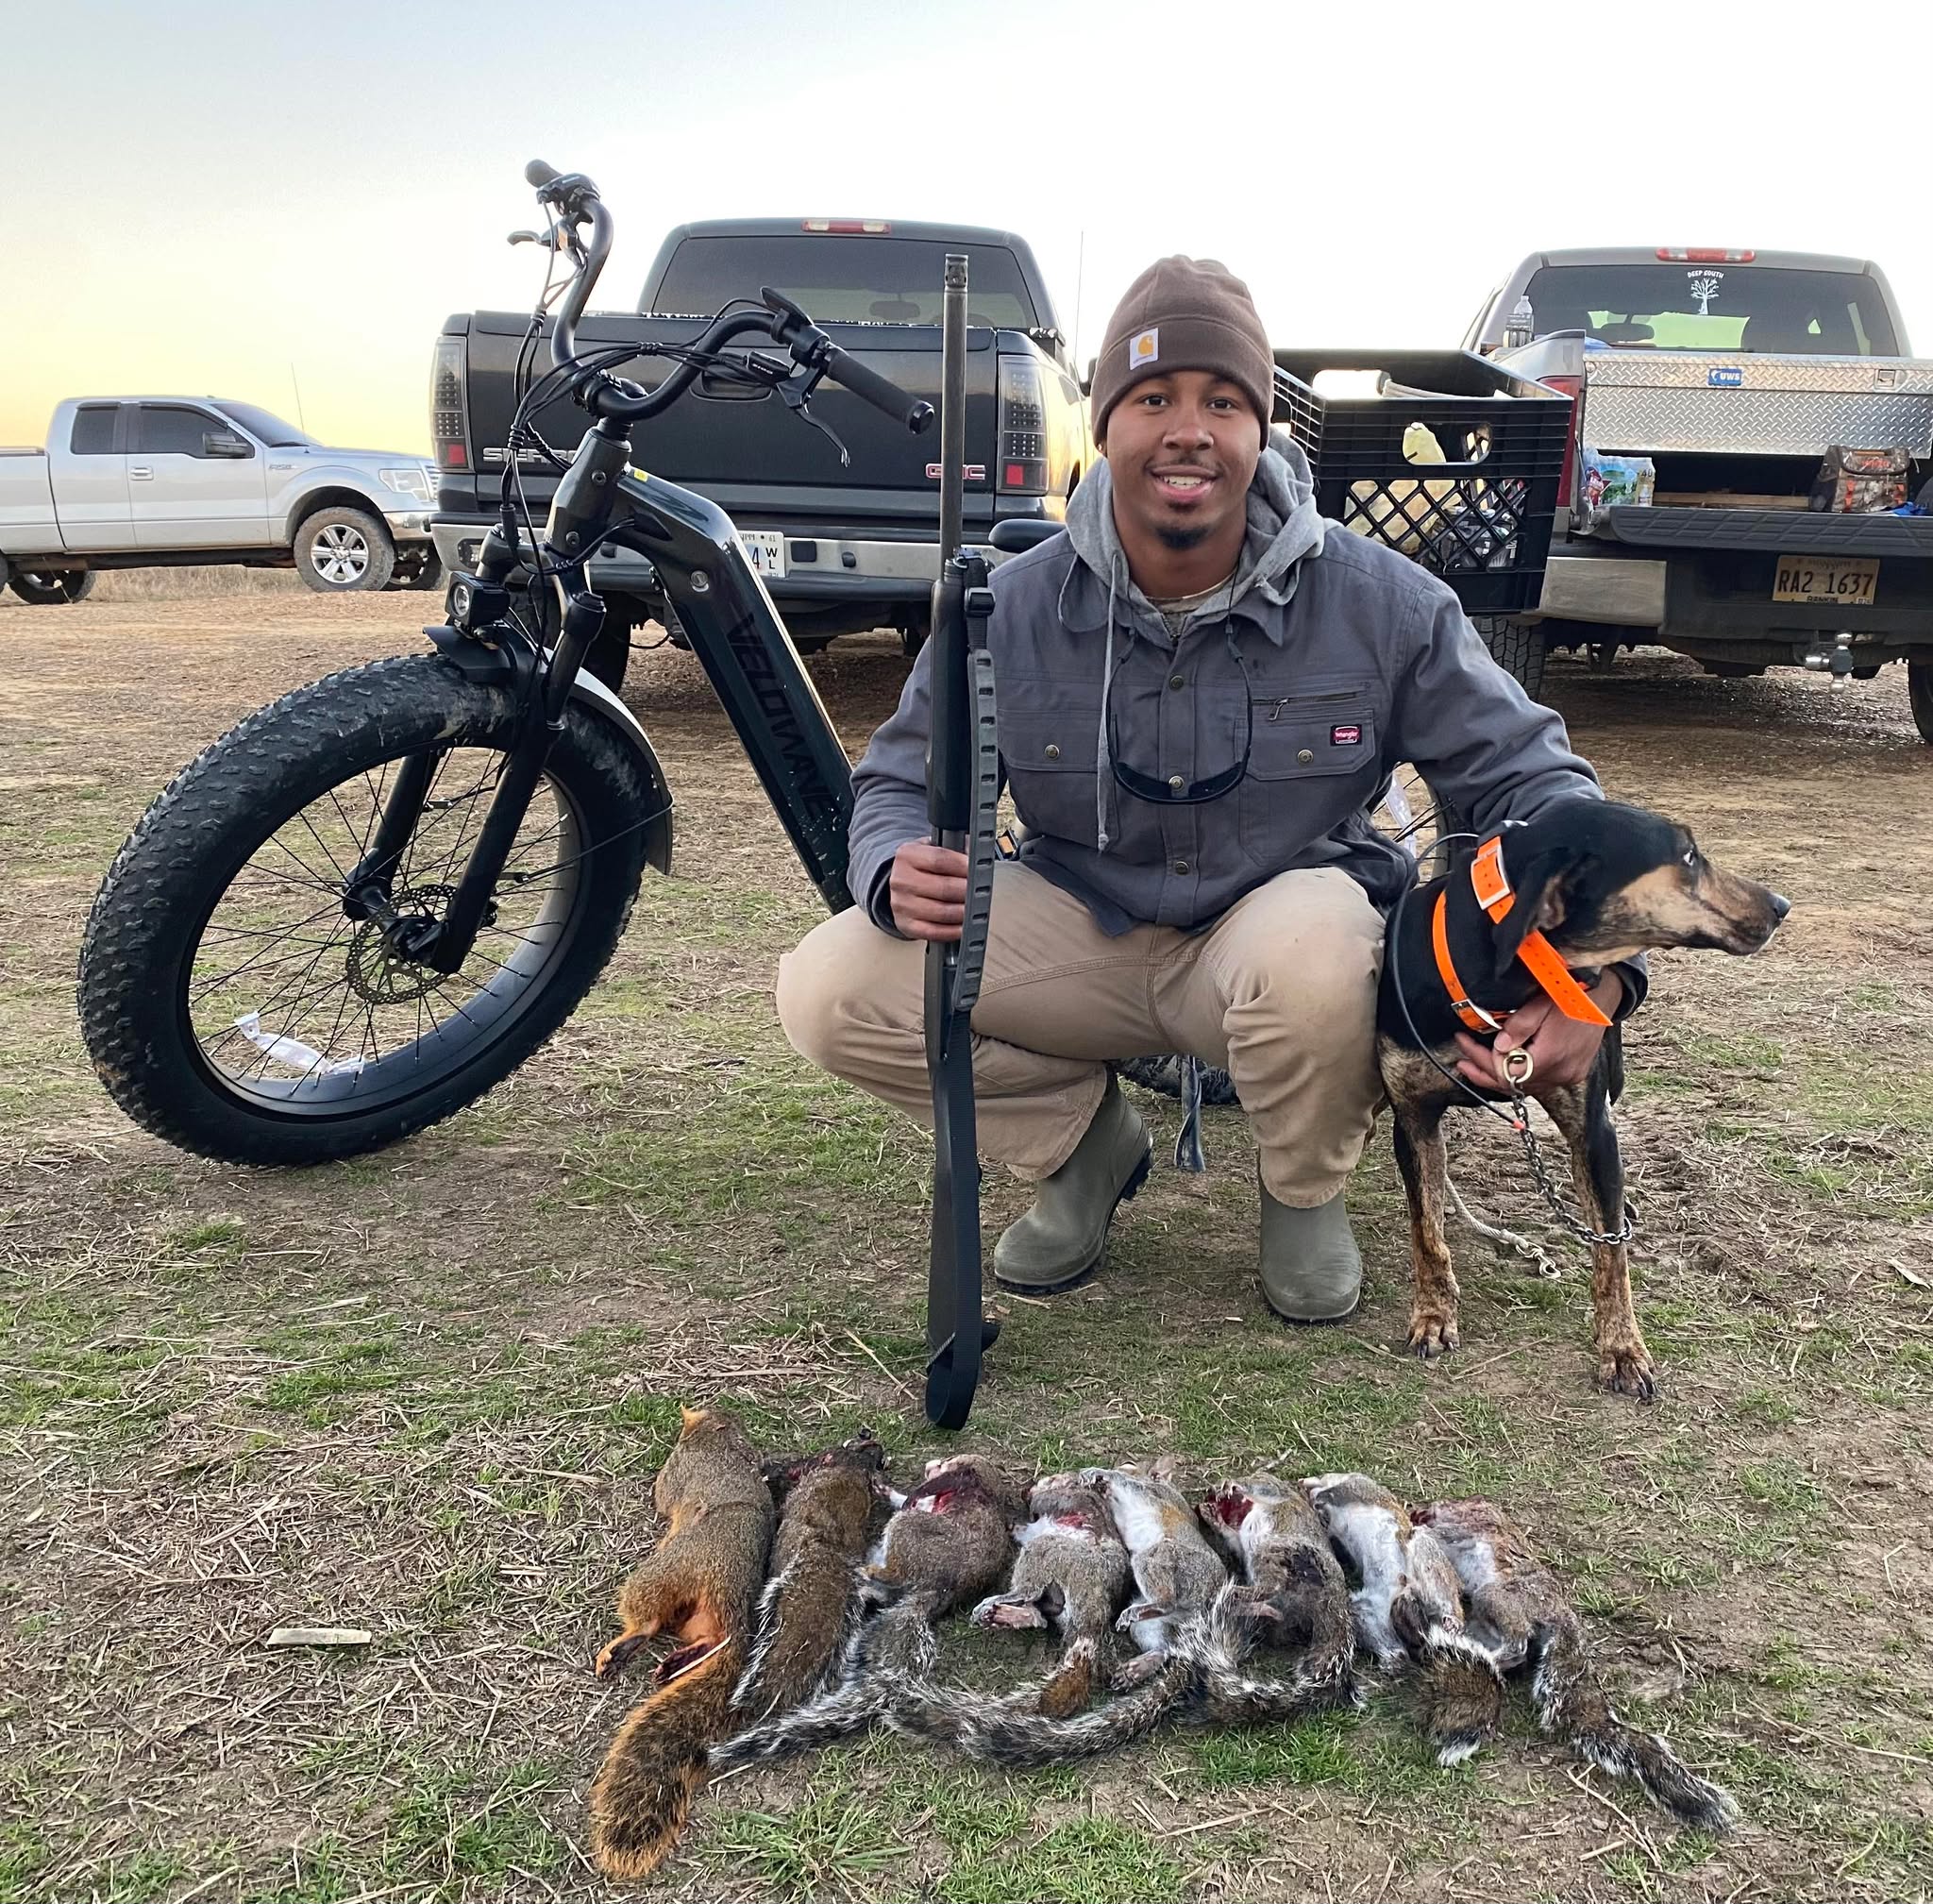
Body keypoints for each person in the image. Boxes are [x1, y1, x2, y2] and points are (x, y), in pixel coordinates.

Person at [775, 257, 1639, 1323]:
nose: (1188, 431)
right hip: (1078, 926)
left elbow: (1537, 783)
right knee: (831, 987)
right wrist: (892, 862)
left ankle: (1303, 1189)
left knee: (1319, 946)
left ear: (1262, 430)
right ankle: (1083, 1148)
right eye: (1152, 399)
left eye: (1222, 402)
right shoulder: (1007, 606)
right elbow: (896, 781)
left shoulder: (1386, 603)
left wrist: (1590, 983)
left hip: (1281, 939)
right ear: (1103, 426)